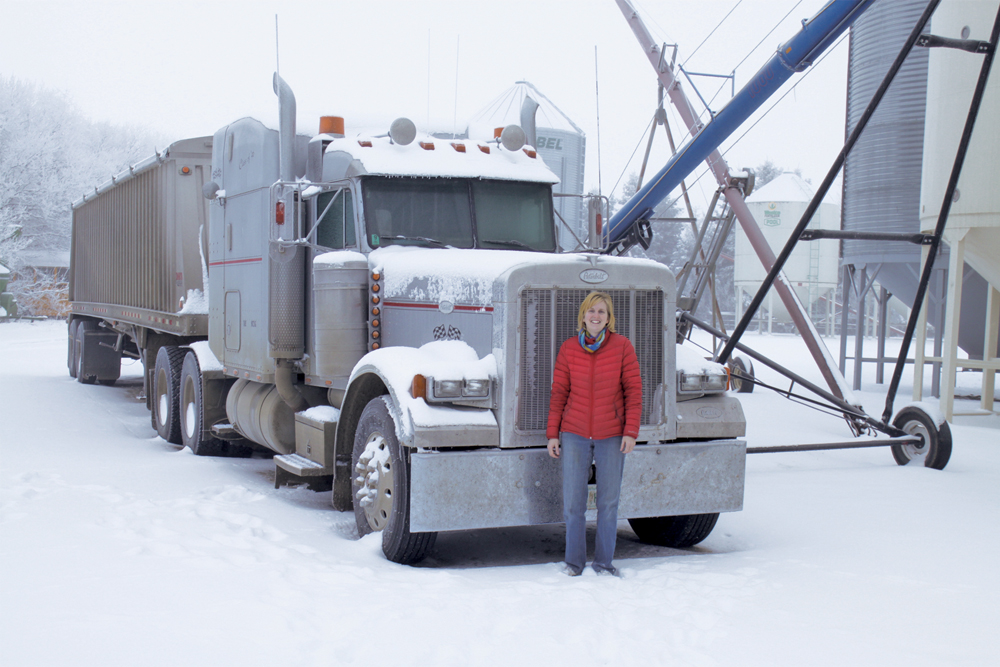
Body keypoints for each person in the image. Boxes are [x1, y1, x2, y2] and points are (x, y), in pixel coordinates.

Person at [547, 291, 642, 577]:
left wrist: (630, 431)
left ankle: (603, 564)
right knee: (573, 504)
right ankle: (574, 563)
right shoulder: (568, 349)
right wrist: (553, 434)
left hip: (611, 434)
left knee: (608, 503)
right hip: (574, 433)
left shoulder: (622, 347)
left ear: (609, 318)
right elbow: (559, 393)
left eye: (601, 311)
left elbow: (633, 392)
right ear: (583, 316)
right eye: (591, 311)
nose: (596, 316)